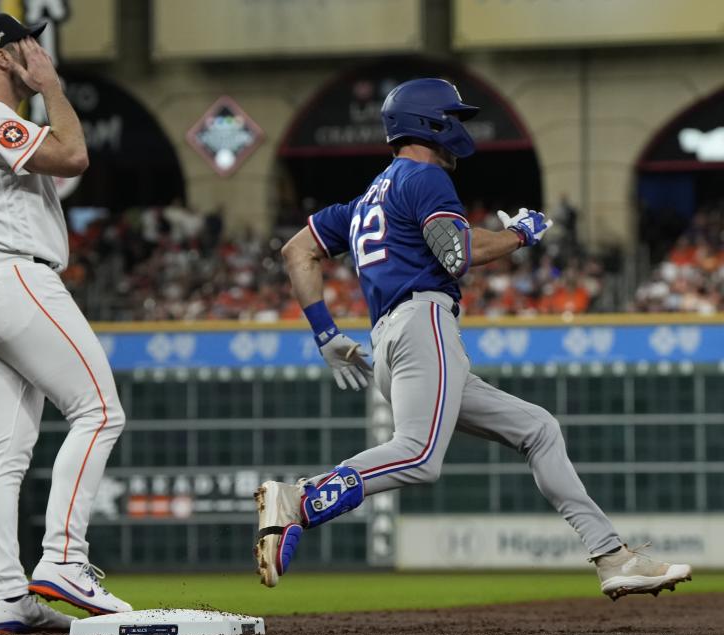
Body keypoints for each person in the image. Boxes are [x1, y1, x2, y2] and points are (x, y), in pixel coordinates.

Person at [254, 78, 692, 600]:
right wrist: (519, 235)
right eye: (451, 117)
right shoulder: (426, 176)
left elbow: (296, 251)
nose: (457, 128)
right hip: (423, 326)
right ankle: (302, 500)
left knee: (538, 429)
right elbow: (456, 255)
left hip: (397, 338)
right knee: (418, 457)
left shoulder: (370, 196)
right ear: (428, 122)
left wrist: (325, 332)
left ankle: (611, 555)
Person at [0, 14, 130, 633]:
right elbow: (73, 154)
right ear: (3, 57)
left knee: (3, 454)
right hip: (15, 279)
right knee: (100, 412)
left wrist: (44, 98)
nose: (38, 49)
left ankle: (7, 596)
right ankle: (65, 560)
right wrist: (52, 87)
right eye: (28, 42)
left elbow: (53, 159)